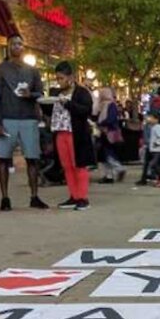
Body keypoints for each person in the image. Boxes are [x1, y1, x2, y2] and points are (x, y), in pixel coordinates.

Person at [0, 33, 46, 210]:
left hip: (28, 118)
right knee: (3, 159)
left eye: (20, 44)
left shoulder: (32, 70)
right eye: (13, 44)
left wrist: (31, 94)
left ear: (23, 47)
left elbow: (41, 94)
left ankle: (34, 196)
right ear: (8, 46)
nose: (17, 46)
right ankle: (5, 198)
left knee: (32, 158)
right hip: (7, 118)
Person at [50, 61, 94, 209]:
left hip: (76, 133)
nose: (59, 81)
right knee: (67, 166)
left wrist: (68, 104)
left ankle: (82, 197)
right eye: (57, 79)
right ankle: (73, 195)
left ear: (71, 77)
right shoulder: (57, 93)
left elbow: (86, 110)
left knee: (79, 165)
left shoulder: (81, 92)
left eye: (61, 78)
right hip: (60, 132)